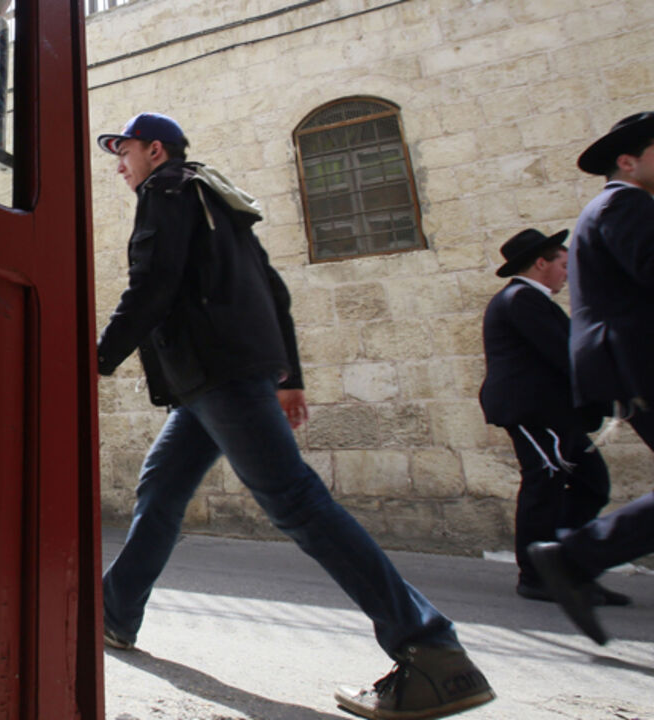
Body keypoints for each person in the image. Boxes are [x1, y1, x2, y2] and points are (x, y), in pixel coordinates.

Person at [95, 112, 494, 720]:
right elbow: (273, 290)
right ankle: (114, 615)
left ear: (156, 150)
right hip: (215, 383)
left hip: (220, 377)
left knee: (298, 504)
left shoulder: (167, 190)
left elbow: (154, 286)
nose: (119, 165)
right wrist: (291, 375)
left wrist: (94, 360)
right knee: (162, 489)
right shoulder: (216, 198)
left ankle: (431, 647)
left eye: (123, 151)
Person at [529, 111, 654, 645]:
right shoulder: (623, 205)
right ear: (628, 160)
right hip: (638, 362)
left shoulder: (616, 208)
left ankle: (577, 555)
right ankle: (576, 555)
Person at [478, 229, 627, 605]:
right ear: (540, 263)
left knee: (592, 485)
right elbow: (566, 356)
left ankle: (568, 565)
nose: (567, 273)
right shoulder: (520, 300)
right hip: (535, 413)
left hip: (558, 416)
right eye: (563, 264)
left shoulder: (533, 301)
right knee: (543, 487)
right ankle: (536, 575)